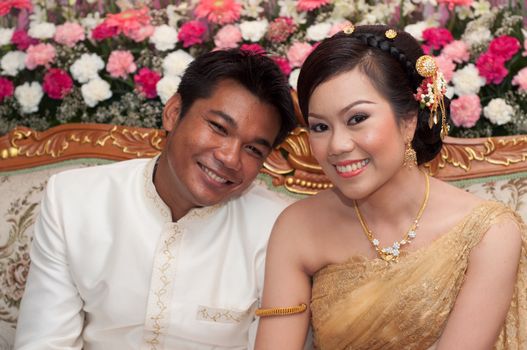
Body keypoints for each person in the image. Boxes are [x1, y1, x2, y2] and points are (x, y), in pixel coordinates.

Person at [255, 24, 526, 350]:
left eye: (357, 119)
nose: (337, 145)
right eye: (320, 127)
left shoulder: (489, 232)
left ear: (409, 119)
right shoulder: (298, 226)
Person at [14, 49, 297, 349]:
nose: (230, 158)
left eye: (253, 149)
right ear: (174, 113)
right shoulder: (74, 200)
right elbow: (44, 342)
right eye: (218, 127)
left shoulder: (279, 230)